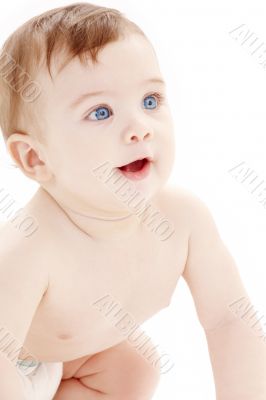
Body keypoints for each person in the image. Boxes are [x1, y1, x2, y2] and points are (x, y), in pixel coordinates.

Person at [0, 2, 265, 399]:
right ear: (36, 158)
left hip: (69, 357)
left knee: (135, 367)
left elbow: (229, 319)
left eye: (150, 101)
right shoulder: (29, 247)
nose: (140, 129)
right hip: (12, 370)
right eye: (101, 112)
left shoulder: (184, 219)